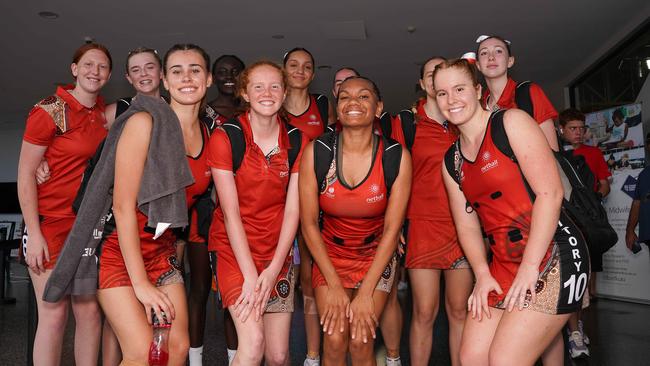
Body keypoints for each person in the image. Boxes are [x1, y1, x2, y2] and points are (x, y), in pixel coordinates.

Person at [436, 59, 589, 366]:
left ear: (478, 90)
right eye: (441, 93)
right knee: (472, 358)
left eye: (459, 88)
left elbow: (551, 193)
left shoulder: (511, 122)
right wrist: (481, 274)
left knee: (505, 359)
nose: (451, 99)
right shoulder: (451, 160)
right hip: (504, 262)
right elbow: (466, 226)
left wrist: (530, 268)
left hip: (554, 255)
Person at [95, 43, 213, 366]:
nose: (186, 78)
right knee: (141, 352)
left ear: (209, 79)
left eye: (195, 70)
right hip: (121, 253)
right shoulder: (144, 124)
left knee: (177, 348)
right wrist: (141, 284)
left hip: (162, 254)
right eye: (177, 71)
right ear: (164, 79)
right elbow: (121, 207)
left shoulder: (209, 134)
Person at [299, 76, 412, 366]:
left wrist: (365, 293)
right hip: (330, 256)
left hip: (375, 256)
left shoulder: (395, 156)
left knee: (361, 341)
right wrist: (334, 286)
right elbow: (309, 224)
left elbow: (392, 229)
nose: (353, 102)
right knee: (335, 340)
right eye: (345, 97)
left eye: (363, 97)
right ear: (336, 110)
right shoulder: (317, 152)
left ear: (378, 108)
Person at [17, 43, 111, 366]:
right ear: (74, 69)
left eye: (101, 67)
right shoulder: (50, 109)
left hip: (86, 229)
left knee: (89, 312)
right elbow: (26, 175)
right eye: (87, 64)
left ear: (109, 75)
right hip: (49, 226)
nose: (93, 71)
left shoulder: (100, 113)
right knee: (54, 314)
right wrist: (34, 232)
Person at [208, 60, 306, 366]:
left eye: (275, 86)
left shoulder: (299, 141)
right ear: (245, 93)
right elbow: (230, 212)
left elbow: (293, 211)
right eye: (258, 86)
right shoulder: (227, 137)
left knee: (278, 357)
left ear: (285, 92)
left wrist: (274, 266)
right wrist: (251, 275)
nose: (267, 92)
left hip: (277, 251)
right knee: (252, 346)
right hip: (233, 252)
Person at [404, 56, 473, 366]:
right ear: (423, 83)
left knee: (459, 310)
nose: (437, 80)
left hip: (464, 229)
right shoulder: (406, 124)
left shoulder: (466, 122)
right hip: (422, 228)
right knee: (424, 312)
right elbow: (393, 180)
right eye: (431, 74)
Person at [189, 54, 245, 366]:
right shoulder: (201, 112)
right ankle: (195, 360)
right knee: (198, 288)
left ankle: (235, 358)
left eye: (234, 71)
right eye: (221, 71)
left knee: (230, 293)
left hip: (242, 213)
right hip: (204, 209)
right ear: (213, 76)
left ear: (242, 75)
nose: (228, 76)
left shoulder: (251, 111)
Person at [283, 47, 331, 366]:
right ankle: (276, 352)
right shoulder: (271, 106)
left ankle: (313, 354)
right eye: (293, 65)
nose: (300, 70)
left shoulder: (323, 106)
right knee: (283, 282)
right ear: (283, 70)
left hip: (316, 207)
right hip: (278, 207)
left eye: (307, 66)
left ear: (313, 74)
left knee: (312, 281)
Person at [558, 107, 611, 358]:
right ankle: (573, 331)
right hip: (565, 221)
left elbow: (604, 184)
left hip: (588, 221)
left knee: (586, 282)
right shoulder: (555, 154)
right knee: (570, 277)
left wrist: (593, 200)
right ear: (561, 130)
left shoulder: (593, 153)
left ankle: (576, 328)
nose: (578, 133)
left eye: (581, 128)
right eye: (573, 129)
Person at [475, 35, 559, 151]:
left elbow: (552, 151)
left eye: (498, 51)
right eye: (484, 53)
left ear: (510, 61)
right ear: (478, 65)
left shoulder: (528, 93)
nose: (491, 57)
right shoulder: (478, 105)